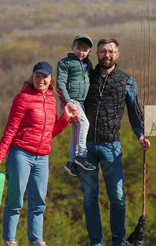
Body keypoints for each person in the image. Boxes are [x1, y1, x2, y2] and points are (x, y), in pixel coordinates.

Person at [0, 61, 79, 246]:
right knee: (15, 200)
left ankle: (37, 243)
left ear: (51, 80)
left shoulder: (51, 100)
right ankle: (10, 244)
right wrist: (0, 155)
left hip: (42, 157)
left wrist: (65, 118)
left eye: (44, 77)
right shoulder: (22, 98)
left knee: (39, 201)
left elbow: (50, 132)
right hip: (20, 153)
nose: (41, 80)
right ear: (32, 78)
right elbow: (11, 129)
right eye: (37, 76)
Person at [79, 38, 151, 246]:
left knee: (117, 197)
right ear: (96, 54)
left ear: (117, 55)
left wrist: (141, 135)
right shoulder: (86, 77)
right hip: (85, 147)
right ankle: (95, 244)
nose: (106, 55)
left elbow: (135, 112)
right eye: (102, 51)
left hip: (111, 146)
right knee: (90, 197)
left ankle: (118, 242)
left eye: (110, 51)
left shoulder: (127, 81)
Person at [56, 34, 96, 177]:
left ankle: (71, 161)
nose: (81, 52)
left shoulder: (88, 64)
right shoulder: (65, 63)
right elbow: (60, 83)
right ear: (72, 47)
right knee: (84, 124)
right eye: (78, 48)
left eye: (84, 50)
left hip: (82, 102)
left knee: (77, 132)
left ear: (89, 52)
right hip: (71, 101)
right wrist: (68, 102)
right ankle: (81, 155)